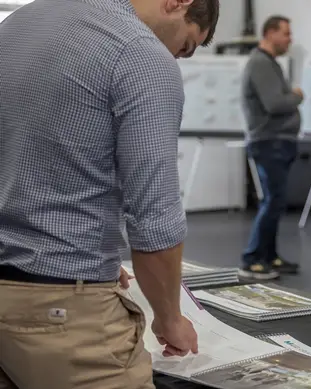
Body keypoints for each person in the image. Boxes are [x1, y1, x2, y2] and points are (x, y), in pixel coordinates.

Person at [0, 0, 219, 387]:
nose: (175, 57)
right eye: (185, 46)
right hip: (64, 313)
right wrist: (169, 318)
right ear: (178, 3)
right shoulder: (141, 55)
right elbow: (154, 218)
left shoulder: (22, 21)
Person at [240, 15, 303, 280]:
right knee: (272, 201)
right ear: (270, 33)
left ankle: (269, 256)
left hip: (277, 142)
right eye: (286, 34)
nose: (290, 39)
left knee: (276, 202)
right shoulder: (260, 64)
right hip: (269, 142)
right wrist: (297, 96)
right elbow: (275, 104)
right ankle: (252, 259)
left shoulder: (268, 63)